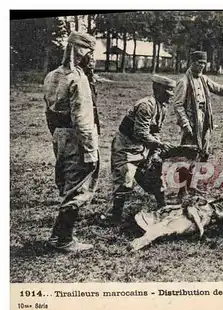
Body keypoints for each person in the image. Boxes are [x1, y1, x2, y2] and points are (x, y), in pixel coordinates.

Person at [43, 31, 99, 252]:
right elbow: (83, 118)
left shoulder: (52, 76)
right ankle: (63, 238)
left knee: (68, 183)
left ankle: (61, 236)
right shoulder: (78, 78)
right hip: (76, 136)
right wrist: (90, 150)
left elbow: (48, 112)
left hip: (59, 134)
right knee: (77, 187)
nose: (92, 58)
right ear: (80, 52)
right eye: (89, 53)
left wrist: (57, 136)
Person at [108, 75, 176, 225]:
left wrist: (156, 150)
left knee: (156, 177)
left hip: (143, 147)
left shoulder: (162, 106)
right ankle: (115, 216)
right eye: (167, 92)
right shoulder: (146, 105)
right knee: (125, 181)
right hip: (126, 147)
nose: (170, 96)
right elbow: (140, 132)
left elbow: (155, 130)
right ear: (157, 89)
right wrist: (160, 145)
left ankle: (162, 208)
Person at [173, 51, 223, 200]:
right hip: (192, 123)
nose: (201, 66)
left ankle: (193, 185)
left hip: (204, 122)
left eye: (203, 63)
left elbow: (219, 89)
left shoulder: (204, 80)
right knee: (188, 156)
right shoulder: (184, 82)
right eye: (198, 63)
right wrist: (186, 124)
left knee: (203, 154)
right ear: (192, 62)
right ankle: (182, 190)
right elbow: (178, 105)